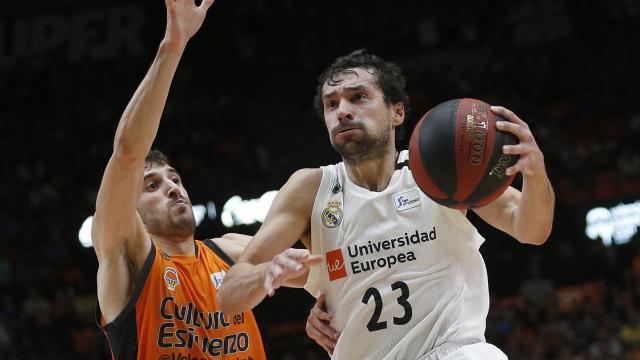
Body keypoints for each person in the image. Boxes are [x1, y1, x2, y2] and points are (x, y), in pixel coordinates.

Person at [218, 50, 555, 359]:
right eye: (331, 104)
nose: (342, 111)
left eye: (358, 97)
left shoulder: (440, 168)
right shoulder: (310, 188)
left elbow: (532, 230)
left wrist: (536, 172)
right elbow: (230, 294)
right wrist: (267, 273)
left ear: (397, 112)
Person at [91, 1, 271, 358]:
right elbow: (127, 154)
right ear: (132, 208)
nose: (174, 187)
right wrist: (173, 46)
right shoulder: (127, 259)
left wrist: (324, 302)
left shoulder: (231, 251)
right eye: (153, 185)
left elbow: (324, 268)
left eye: (174, 178)